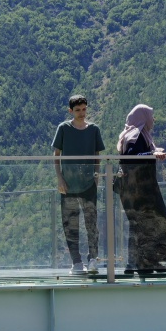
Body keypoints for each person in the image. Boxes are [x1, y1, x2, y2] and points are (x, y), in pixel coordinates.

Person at [116, 104, 166, 274]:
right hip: (139, 189)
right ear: (143, 118)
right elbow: (132, 158)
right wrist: (152, 154)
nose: (154, 119)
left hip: (135, 188)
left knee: (139, 225)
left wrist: (153, 151)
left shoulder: (137, 135)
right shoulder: (135, 136)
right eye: (151, 116)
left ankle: (136, 263)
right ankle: (147, 263)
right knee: (151, 223)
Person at [52, 95, 106, 275]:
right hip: (68, 185)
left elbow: (97, 154)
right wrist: (59, 178)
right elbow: (56, 154)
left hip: (88, 183)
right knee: (70, 224)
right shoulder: (64, 129)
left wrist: (96, 176)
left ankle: (93, 260)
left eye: (84, 109)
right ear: (70, 111)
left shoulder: (94, 130)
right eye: (77, 110)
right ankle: (76, 262)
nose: (81, 113)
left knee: (91, 224)